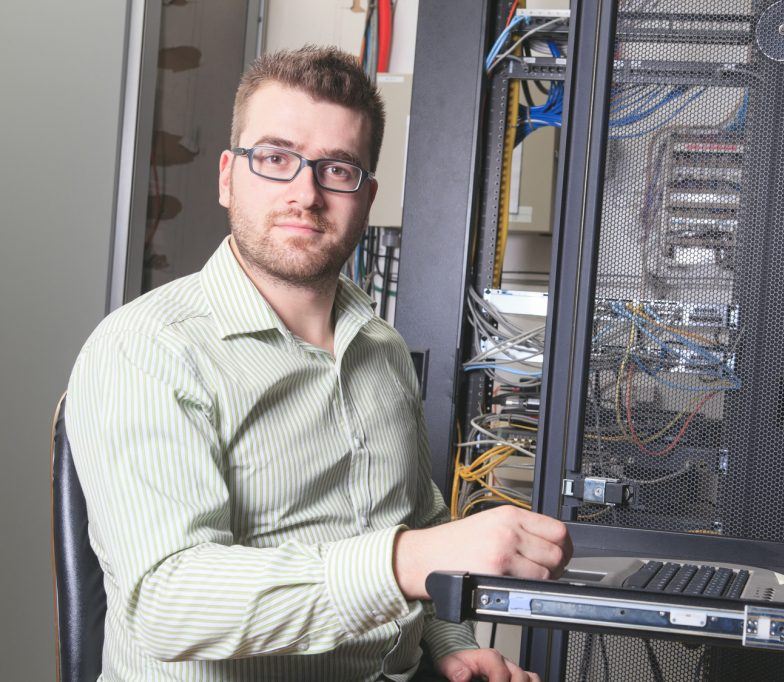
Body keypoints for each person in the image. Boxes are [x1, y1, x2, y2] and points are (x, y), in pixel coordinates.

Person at [66, 45, 571, 682]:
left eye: (337, 169)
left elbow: (421, 520)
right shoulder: (147, 350)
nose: (304, 193)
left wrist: (451, 643)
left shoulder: (381, 350)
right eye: (274, 158)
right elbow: (169, 602)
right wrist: (402, 562)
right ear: (227, 176)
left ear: (366, 195)